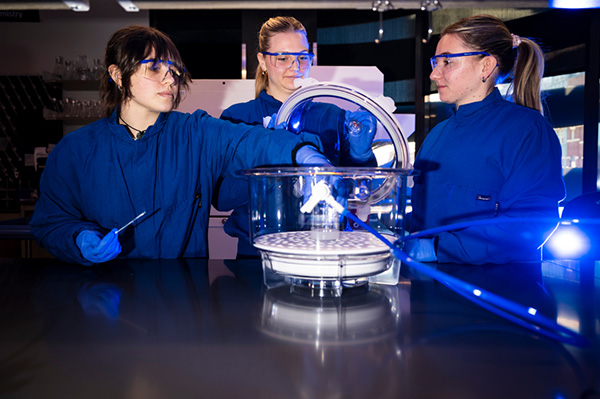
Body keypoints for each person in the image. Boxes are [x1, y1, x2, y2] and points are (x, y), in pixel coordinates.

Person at [29, 25, 332, 266]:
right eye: (154, 68)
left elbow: (251, 141)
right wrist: (79, 239)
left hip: (184, 300)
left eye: (173, 70)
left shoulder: (195, 132)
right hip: (106, 298)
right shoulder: (75, 150)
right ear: (118, 75)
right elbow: (50, 222)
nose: (170, 80)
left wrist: (305, 155)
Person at [406, 14, 565, 264]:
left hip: (497, 291)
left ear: (486, 66)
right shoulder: (438, 134)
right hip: (429, 288)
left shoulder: (527, 130)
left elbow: (531, 222)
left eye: (447, 62)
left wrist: (438, 249)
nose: (434, 75)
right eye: (435, 62)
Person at [216, 16, 377, 258]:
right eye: (283, 58)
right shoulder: (238, 118)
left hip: (324, 248)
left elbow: (362, 193)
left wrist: (361, 155)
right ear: (262, 61)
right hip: (256, 256)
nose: (296, 66)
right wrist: (272, 156)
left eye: (303, 57)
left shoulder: (333, 116)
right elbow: (222, 197)